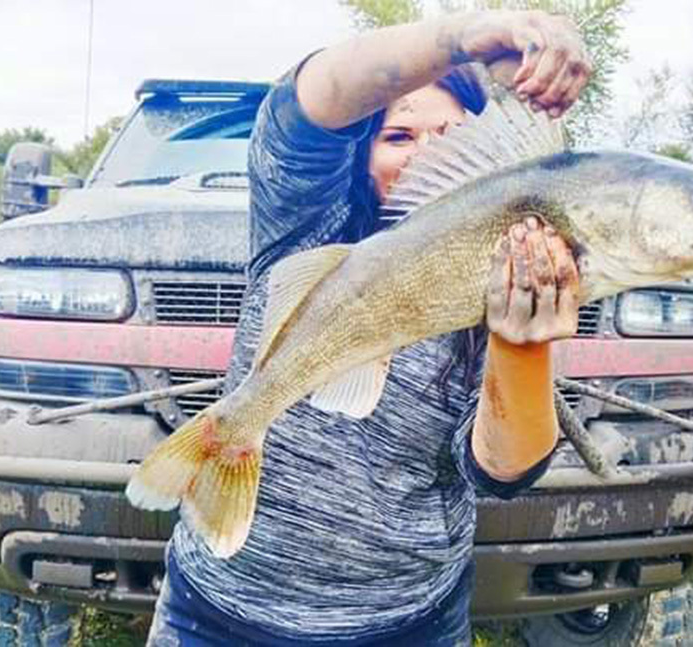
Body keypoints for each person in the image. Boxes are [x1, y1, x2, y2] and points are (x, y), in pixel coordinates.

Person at [148, 9, 591, 645]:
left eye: (453, 137)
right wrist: (464, 38)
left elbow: (501, 471)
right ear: (362, 154)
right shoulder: (306, 226)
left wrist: (522, 344)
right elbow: (299, 106)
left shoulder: (511, 276)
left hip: (408, 621)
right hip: (221, 615)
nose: (431, 156)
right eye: (402, 136)